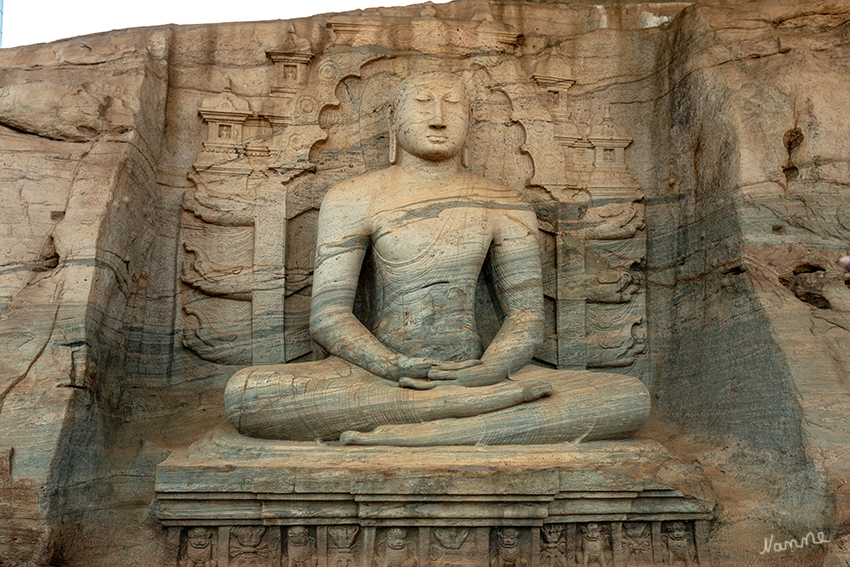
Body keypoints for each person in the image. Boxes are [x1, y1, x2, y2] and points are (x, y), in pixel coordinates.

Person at [224, 71, 650, 446]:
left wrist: (487, 371)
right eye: (422, 103)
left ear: (471, 123)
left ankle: (435, 424)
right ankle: (468, 417)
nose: (438, 117)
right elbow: (329, 316)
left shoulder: (502, 201)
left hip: (479, 375)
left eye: (453, 105)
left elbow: (525, 317)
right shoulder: (353, 197)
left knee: (627, 398)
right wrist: (391, 365)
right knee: (247, 396)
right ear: (393, 119)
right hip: (376, 378)